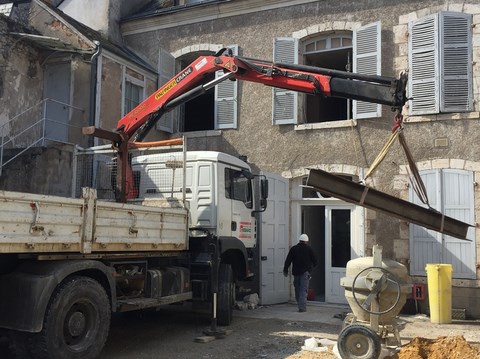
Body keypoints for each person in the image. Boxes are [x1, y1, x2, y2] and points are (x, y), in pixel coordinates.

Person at [283, 233, 317, 312]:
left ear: (299, 240)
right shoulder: (309, 249)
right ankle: (302, 307)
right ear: (306, 241)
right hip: (305, 273)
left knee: (297, 289)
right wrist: (311, 268)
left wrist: (285, 269)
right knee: (303, 290)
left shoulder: (293, 249)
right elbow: (315, 260)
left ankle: (300, 303)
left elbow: (288, 260)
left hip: (296, 272)